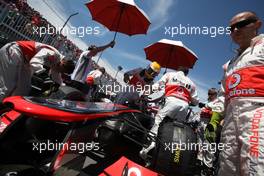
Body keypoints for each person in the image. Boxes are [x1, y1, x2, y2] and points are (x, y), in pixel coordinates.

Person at [218, 11, 264, 176]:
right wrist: (216, 120)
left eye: (242, 24)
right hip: (230, 119)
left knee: (256, 167)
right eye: (231, 28)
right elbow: (223, 95)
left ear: (257, 25)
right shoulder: (228, 65)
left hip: (257, 114)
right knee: (227, 167)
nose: (236, 29)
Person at [139, 67, 199, 158]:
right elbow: (196, 101)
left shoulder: (170, 75)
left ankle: (148, 146)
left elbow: (157, 86)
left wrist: (144, 93)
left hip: (170, 101)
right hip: (184, 106)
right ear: (186, 73)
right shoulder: (192, 83)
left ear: (178, 69)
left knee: (158, 123)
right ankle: (173, 154)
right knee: (176, 130)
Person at [0, 40, 74, 101]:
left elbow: (57, 79)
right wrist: (45, 77)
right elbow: (35, 62)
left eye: (62, 72)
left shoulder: (57, 65)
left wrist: (64, 89)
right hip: (14, 50)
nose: (60, 72)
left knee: (23, 89)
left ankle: (10, 109)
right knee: (7, 87)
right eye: (61, 70)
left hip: (25, 60)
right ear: (63, 63)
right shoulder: (53, 54)